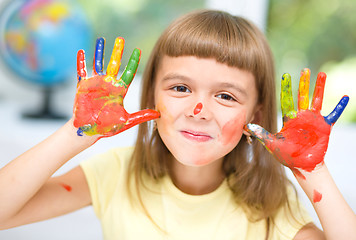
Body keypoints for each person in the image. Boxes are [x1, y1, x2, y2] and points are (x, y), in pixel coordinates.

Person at [0, 9, 355, 240]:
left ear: (256, 117)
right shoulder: (115, 173)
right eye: (181, 88)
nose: (198, 110)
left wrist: (314, 172)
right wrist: (74, 133)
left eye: (226, 96)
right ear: (152, 96)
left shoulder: (270, 208)